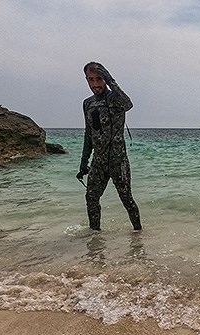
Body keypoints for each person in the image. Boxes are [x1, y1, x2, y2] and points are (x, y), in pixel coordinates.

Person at [77, 61, 141, 232]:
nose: (96, 84)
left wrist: (110, 79)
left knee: (127, 199)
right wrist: (84, 161)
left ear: (104, 79)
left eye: (99, 79)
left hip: (118, 161)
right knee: (91, 198)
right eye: (91, 80)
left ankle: (138, 236)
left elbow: (128, 104)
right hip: (98, 162)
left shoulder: (115, 99)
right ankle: (95, 239)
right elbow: (88, 133)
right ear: (87, 80)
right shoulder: (88, 104)